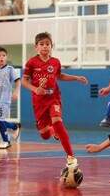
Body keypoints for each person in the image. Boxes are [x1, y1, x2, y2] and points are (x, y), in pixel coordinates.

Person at [21, 32, 88, 167]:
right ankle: (51, 130)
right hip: (39, 101)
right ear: (36, 47)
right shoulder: (31, 62)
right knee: (45, 135)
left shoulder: (55, 62)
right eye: (42, 44)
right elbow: (24, 81)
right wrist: (35, 89)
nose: (45, 47)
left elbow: (60, 76)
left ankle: (71, 157)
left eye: (48, 44)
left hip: (54, 98)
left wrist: (76, 78)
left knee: (57, 121)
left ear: (52, 46)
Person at [0, 47, 21, 149]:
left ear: (6, 57)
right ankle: (15, 127)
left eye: (4, 55)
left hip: (5, 99)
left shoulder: (10, 69)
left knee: (0, 119)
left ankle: (6, 141)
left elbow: (18, 81)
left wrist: (16, 92)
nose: (1, 57)